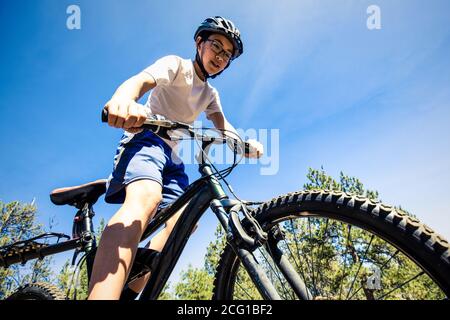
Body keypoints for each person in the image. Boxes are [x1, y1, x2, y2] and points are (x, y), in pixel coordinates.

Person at [87, 16, 264, 300]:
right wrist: (123, 99)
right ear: (199, 42)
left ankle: (130, 289)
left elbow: (222, 124)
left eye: (227, 54)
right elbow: (141, 81)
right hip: (146, 140)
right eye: (216, 46)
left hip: (175, 158)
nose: (220, 56)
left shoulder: (209, 93)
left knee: (184, 222)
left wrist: (241, 144)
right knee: (146, 198)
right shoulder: (176, 66)